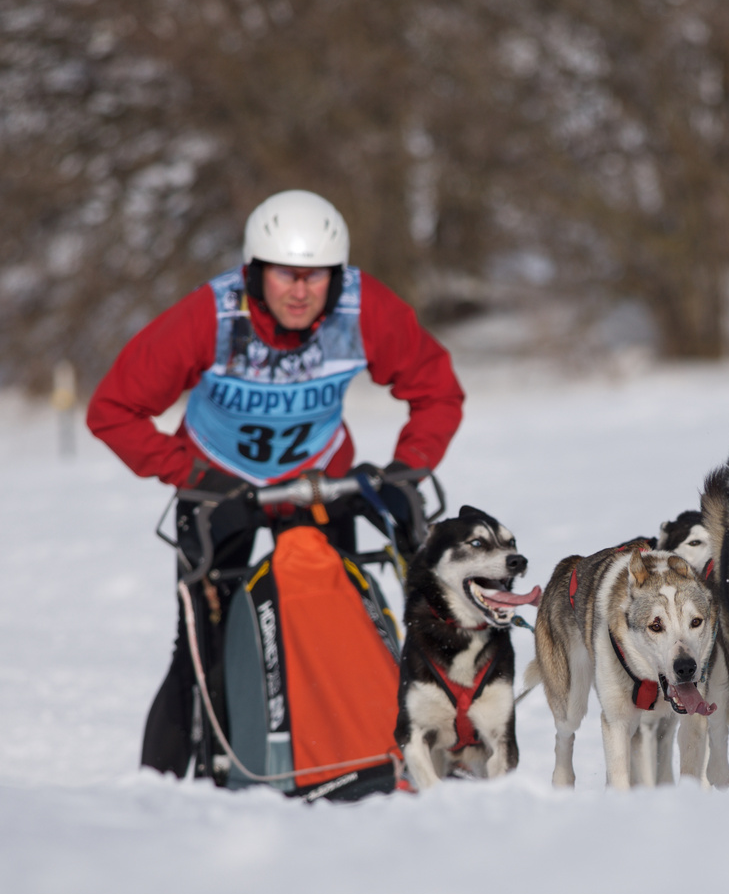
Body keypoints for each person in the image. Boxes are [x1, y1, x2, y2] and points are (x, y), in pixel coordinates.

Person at [87, 189, 465, 779]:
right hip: (221, 485)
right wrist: (193, 475)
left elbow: (437, 389)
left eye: (316, 278)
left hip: (318, 480)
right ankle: (165, 791)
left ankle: (370, 757)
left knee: (346, 619)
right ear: (254, 271)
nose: (300, 291)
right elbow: (113, 409)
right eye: (286, 275)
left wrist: (406, 469)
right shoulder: (211, 315)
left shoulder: (363, 309)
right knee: (198, 645)